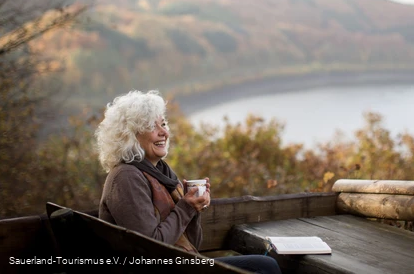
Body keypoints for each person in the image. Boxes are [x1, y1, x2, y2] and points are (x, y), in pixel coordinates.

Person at [96, 89, 281, 274]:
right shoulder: (125, 177)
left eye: (163, 124)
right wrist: (186, 208)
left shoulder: (162, 173)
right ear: (130, 135)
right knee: (265, 267)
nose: (164, 133)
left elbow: (192, 245)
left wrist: (195, 209)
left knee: (264, 265)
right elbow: (150, 248)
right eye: (152, 127)